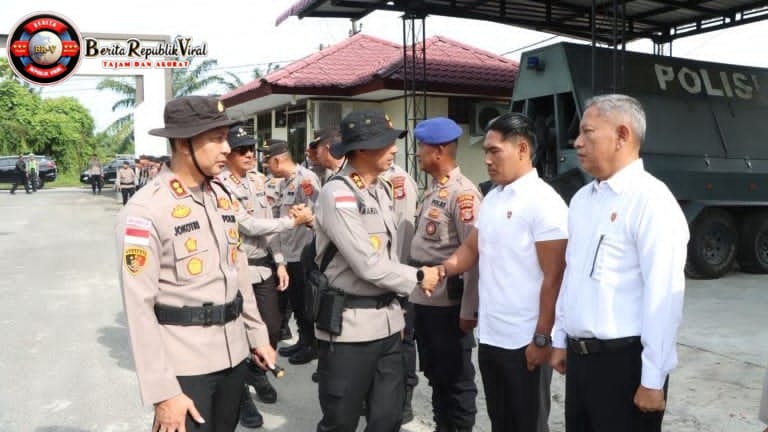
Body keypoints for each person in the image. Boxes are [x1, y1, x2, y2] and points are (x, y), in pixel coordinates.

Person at [116, 95, 277, 432]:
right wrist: (163, 392)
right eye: (216, 139)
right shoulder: (145, 210)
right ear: (182, 143)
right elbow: (138, 308)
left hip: (233, 355)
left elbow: (238, 272)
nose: (226, 148)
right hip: (184, 366)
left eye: (226, 138)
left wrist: (257, 334)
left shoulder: (221, 196)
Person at [550, 94, 689, 432]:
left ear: (622, 135)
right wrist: (560, 338)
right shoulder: (582, 200)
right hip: (581, 363)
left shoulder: (651, 201)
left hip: (625, 366)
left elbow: (663, 296)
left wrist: (653, 378)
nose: (577, 142)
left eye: (587, 132)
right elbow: (572, 276)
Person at [313, 109, 441, 432]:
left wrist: (398, 310)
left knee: (387, 419)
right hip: (349, 330)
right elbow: (368, 264)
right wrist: (419, 277)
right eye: (386, 143)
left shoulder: (381, 190)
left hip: (388, 325)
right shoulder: (338, 194)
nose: (394, 149)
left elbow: (391, 255)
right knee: (340, 422)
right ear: (361, 149)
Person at [440, 113, 568, 432]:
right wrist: (440, 270)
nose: (487, 159)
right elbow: (471, 248)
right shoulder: (494, 198)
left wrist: (543, 337)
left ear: (522, 148)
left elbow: (555, 277)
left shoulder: (544, 202)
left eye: (494, 151)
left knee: (528, 424)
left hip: (525, 340)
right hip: (492, 336)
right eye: (486, 151)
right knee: (501, 422)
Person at [220, 126, 315, 428]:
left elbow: (268, 226)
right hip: (238, 268)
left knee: (272, 327)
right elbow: (248, 225)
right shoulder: (222, 186)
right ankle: (243, 397)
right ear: (229, 154)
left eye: (251, 149)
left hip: (264, 267)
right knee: (239, 334)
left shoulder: (259, 182)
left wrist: (280, 262)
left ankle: (256, 372)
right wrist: (291, 222)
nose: (250, 155)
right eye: (242, 150)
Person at [408, 117, 481, 432]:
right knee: (436, 374)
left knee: (457, 381)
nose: (417, 154)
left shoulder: (463, 194)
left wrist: (469, 310)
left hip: (449, 306)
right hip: (425, 301)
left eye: (421, 148)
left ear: (438, 152)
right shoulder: (434, 189)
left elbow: (474, 255)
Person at [262, 140, 322, 366]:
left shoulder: (306, 179)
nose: (266, 166)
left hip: (303, 251)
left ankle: (312, 346)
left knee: (306, 303)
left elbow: (316, 211)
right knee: (296, 303)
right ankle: (303, 341)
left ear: (278, 160)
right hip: (289, 252)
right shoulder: (286, 181)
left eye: (268, 161)